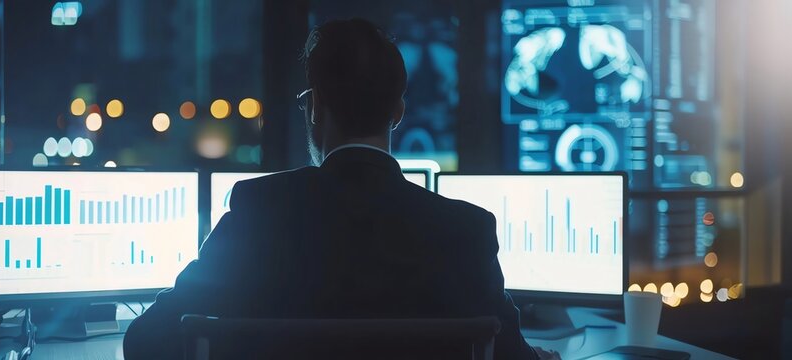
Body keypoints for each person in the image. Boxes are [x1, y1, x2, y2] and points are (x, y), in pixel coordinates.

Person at [123, 18, 558, 360]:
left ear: (314, 108)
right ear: (399, 111)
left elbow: (146, 342)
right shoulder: (465, 229)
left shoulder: (259, 210)